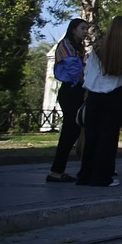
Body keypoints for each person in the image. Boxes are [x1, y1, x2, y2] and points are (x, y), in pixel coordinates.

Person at [76, 16, 122, 187]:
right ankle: (101, 176)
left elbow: (89, 72)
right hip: (116, 95)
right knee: (108, 137)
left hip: (94, 95)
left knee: (92, 135)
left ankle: (85, 175)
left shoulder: (98, 47)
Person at [47, 18, 88, 183]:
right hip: (70, 90)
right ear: (73, 29)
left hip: (77, 90)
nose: (85, 31)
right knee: (69, 131)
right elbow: (73, 71)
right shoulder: (65, 45)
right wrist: (87, 84)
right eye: (83, 28)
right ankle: (56, 171)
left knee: (73, 130)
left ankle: (58, 170)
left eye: (86, 29)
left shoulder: (78, 48)